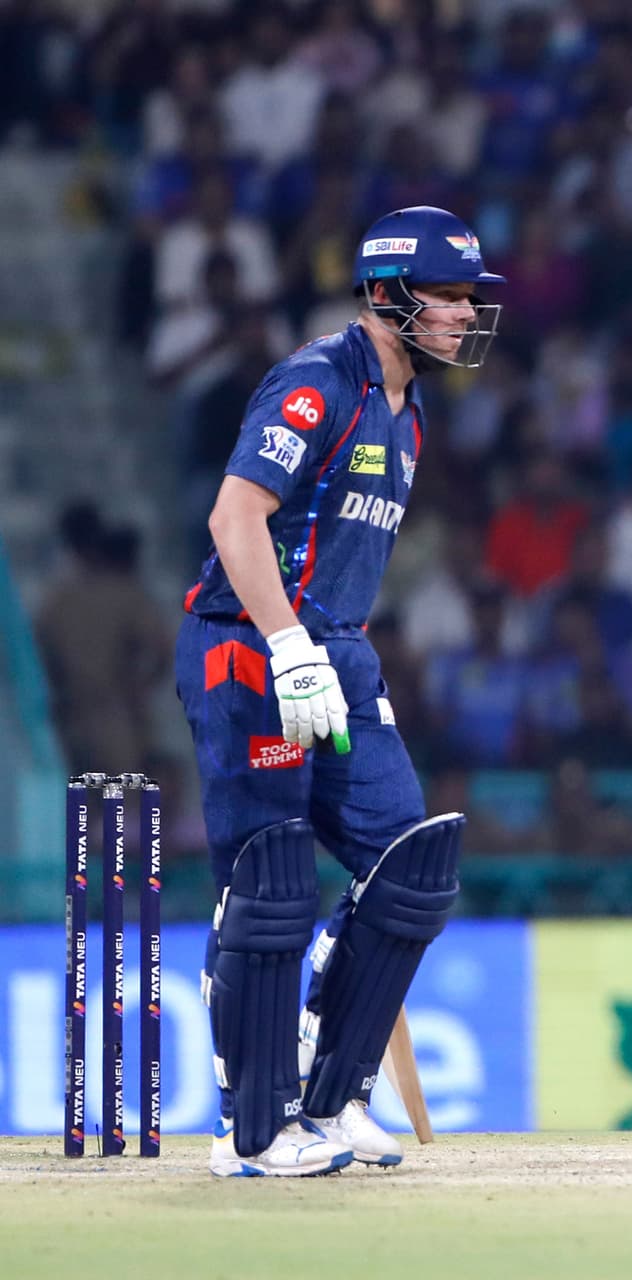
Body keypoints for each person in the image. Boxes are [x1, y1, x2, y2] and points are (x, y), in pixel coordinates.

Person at [175, 206, 504, 1176]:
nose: (464, 314)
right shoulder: (319, 381)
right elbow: (234, 516)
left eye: (470, 298)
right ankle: (254, 1129)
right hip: (249, 644)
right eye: (447, 296)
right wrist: (286, 642)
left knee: (413, 864)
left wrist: (322, 649)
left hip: (341, 653)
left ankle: (334, 1093)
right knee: (272, 881)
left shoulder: (410, 411)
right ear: (389, 294)